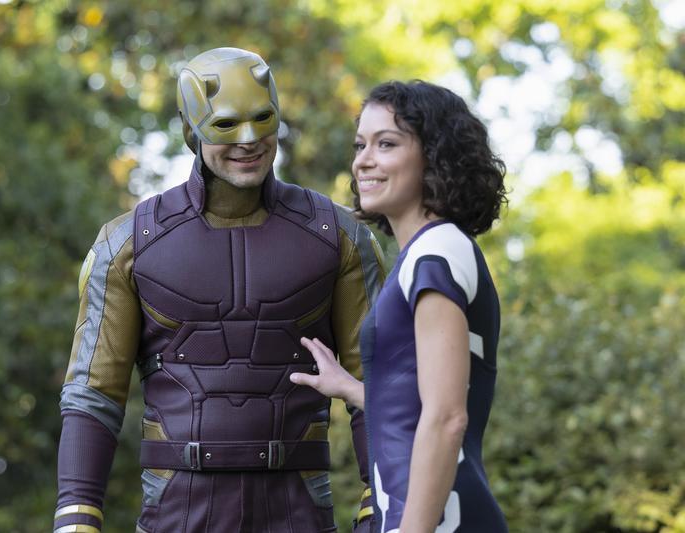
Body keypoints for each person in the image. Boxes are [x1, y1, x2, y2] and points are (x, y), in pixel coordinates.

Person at [53, 47, 385, 533]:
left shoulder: (340, 238)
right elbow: (93, 394)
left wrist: (382, 502)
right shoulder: (126, 246)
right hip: (177, 514)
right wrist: (77, 516)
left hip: (298, 514)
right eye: (225, 125)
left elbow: (375, 381)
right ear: (191, 128)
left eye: (262, 119)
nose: (248, 140)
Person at [290, 80, 509, 533]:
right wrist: (351, 388)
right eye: (360, 145)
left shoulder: (435, 256)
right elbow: (421, 403)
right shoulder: (432, 253)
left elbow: (447, 417)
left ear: (435, 156)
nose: (363, 161)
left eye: (386, 143)